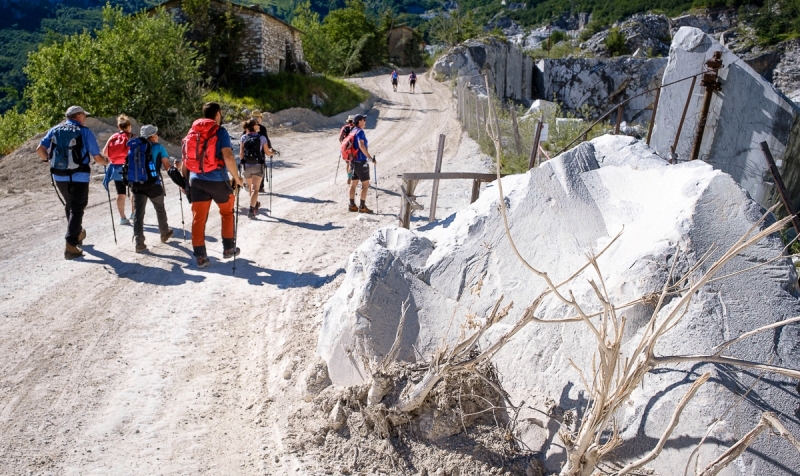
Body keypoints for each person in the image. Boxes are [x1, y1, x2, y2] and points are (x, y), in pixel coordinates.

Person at [36, 106, 107, 260]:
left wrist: (49, 161)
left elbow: (40, 150)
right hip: (79, 175)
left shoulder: (55, 129)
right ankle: (71, 244)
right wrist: (106, 162)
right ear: (79, 115)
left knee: (70, 204)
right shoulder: (85, 131)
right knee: (78, 207)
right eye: (84, 115)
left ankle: (78, 232)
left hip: (59, 175)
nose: (85, 118)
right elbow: (97, 157)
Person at [182, 102, 244, 268]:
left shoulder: (193, 131)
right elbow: (228, 156)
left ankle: (201, 257)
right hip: (217, 180)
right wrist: (237, 178)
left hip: (196, 180)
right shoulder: (220, 131)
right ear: (218, 113)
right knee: (227, 212)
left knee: (198, 219)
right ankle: (229, 248)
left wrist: (186, 182)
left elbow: (185, 159)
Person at [130, 125, 173, 253]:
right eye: (156, 134)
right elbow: (167, 167)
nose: (158, 136)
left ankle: (139, 242)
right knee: (160, 209)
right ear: (152, 136)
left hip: (137, 185)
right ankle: (164, 233)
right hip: (153, 183)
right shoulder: (158, 147)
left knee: (138, 213)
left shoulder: (135, 147)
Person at [102, 114, 135, 225]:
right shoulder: (132, 136)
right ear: (129, 125)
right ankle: (134, 214)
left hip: (116, 167)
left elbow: (105, 153)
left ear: (119, 126)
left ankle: (122, 218)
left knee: (120, 192)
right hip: (130, 167)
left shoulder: (113, 137)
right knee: (134, 191)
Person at [240, 118, 273, 218]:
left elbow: (241, 153)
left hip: (247, 166)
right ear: (254, 126)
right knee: (255, 189)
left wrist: (243, 164)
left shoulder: (243, 138)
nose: (259, 126)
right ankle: (251, 210)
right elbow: (267, 152)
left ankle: (254, 205)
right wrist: (273, 153)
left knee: (251, 188)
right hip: (258, 166)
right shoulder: (262, 138)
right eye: (257, 125)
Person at [347, 114, 375, 213]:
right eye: (364, 120)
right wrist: (370, 158)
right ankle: (362, 207)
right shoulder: (360, 132)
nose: (365, 122)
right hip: (361, 161)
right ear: (359, 121)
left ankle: (352, 205)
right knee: (365, 184)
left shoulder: (353, 131)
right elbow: (361, 146)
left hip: (353, 161)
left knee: (353, 183)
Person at [251, 111, 272, 194]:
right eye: (260, 118)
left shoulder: (247, 127)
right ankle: (260, 187)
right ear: (258, 118)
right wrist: (270, 148)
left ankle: (251, 187)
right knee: (260, 169)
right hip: (260, 153)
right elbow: (266, 139)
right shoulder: (262, 128)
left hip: (248, 154)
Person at [339, 115, 355, 185]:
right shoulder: (356, 128)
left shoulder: (345, 128)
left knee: (348, 163)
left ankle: (349, 177)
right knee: (354, 163)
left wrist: (344, 145)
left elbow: (340, 138)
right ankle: (353, 177)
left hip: (346, 149)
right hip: (354, 148)